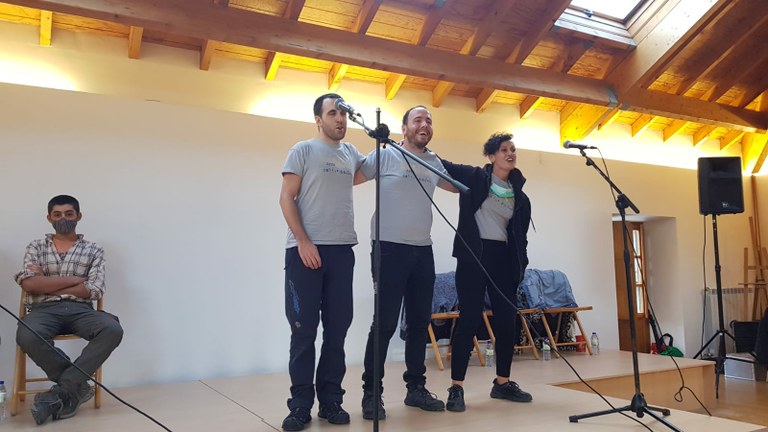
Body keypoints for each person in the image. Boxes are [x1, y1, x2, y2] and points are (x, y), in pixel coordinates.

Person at [356, 105, 456, 420]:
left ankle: (416, 389)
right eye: (418, 119)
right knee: (384, 325)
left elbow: (456, 185)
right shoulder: (385, 154)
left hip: (422, 251)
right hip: (388, 249)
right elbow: (352, 177)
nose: (424, 124)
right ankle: (372, 394)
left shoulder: (433, 162)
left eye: (429, 120)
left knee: (418, 323)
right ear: (404, 128)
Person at [278, 93, 366, 431]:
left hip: (341, 252)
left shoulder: (351, 154)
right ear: (319, 120)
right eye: (332, 113)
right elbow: (286, 197)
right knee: (303, 332)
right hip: (305, 252)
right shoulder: (303, 150)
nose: (340, 119)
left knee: (337, 331)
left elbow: (371, 169)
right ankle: (300, 405)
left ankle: (331, 401)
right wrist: (303, 241)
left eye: (343, 113)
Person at [439, 132, 533, 412]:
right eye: (504, 149)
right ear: (491, 156)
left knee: (507, 321)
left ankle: (502, 382)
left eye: (513, 149)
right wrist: (411, 148)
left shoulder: (521, 197)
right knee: (468, 319)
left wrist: (520, 266)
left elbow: (520, 238)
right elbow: (443, 164)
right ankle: (456, 387)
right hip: (473, 257)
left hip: (502, 259)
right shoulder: (475, 178)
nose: (510, 153)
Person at [14, 194, 123, 425]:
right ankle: (76, 387)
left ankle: (65, 389)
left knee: (111, 329)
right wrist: (75, 280)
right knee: (27, 333)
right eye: (57, 214)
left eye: (68, 213)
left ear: (79, 216)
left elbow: (94, 289)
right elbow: (29, 284)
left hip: (80, 310)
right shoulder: (36, 247)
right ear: (49, 218)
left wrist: (46, 283)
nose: (63, 218)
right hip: (43, 310)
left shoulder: (93, 249)